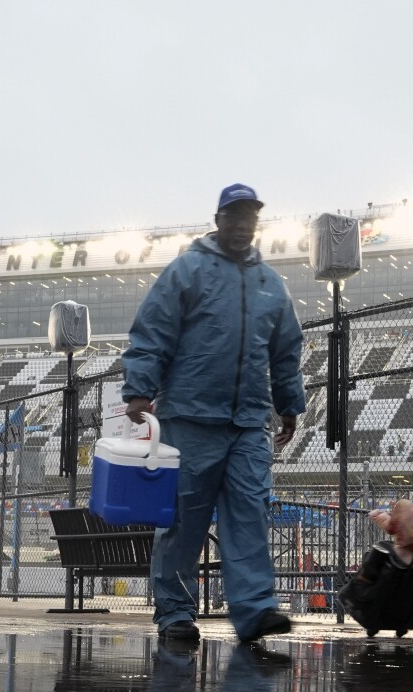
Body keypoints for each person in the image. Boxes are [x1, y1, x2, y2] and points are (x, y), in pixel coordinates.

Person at [122, 182, 306, 644]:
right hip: (189, 418)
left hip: (247, 423)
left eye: (250, 218)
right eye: (234, 216)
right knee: (184, 521)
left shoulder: (271, 284)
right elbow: (153, 331)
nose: (242, 225)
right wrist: (140, 391)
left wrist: (289, 404)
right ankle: (176, 613)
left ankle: (256, 610)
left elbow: (286, 350)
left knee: (249, 513)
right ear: (218, 220)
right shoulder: (187, 271)